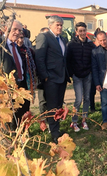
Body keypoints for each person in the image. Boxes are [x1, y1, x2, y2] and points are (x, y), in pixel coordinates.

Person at [36, 15, 70, 144]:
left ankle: (56, 128)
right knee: (51, 106)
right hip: (51, 78)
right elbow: (39, 58)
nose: (60, 27)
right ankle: (54, 133)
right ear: (50, 25)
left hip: (62, 77)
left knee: (58, 105)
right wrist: (45, 76)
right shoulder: (44, 37)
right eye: (57, 25)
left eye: (61, 25)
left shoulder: (62, 39)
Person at [0, 20, 36, 132]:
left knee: (23, 110)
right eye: (14, 29)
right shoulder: (2, 46)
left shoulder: (16, 46)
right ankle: (12, 137)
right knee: (11, 115)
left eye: (19, 30)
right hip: (8, 88)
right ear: (6, 28)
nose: (17, 32)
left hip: (22, 84)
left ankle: (23, 133)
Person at [67, 22, 96, 132]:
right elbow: (68, 60)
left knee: (87, 98)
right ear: (76, 32)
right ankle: (74, 121)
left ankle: (84, 119)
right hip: (77, 76)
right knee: (78, 99)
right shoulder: (71, 44)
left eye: (84, 30)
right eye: (80, 31)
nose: (82, 33)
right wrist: (71, 73)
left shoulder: (91, 44)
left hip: (87, 75)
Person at [36, 27, 49, 120]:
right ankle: (43, 119)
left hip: (51, 75)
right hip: (42, 77)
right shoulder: (39, 47)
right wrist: (43, 75)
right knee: (42, 99)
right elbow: (39, 61)